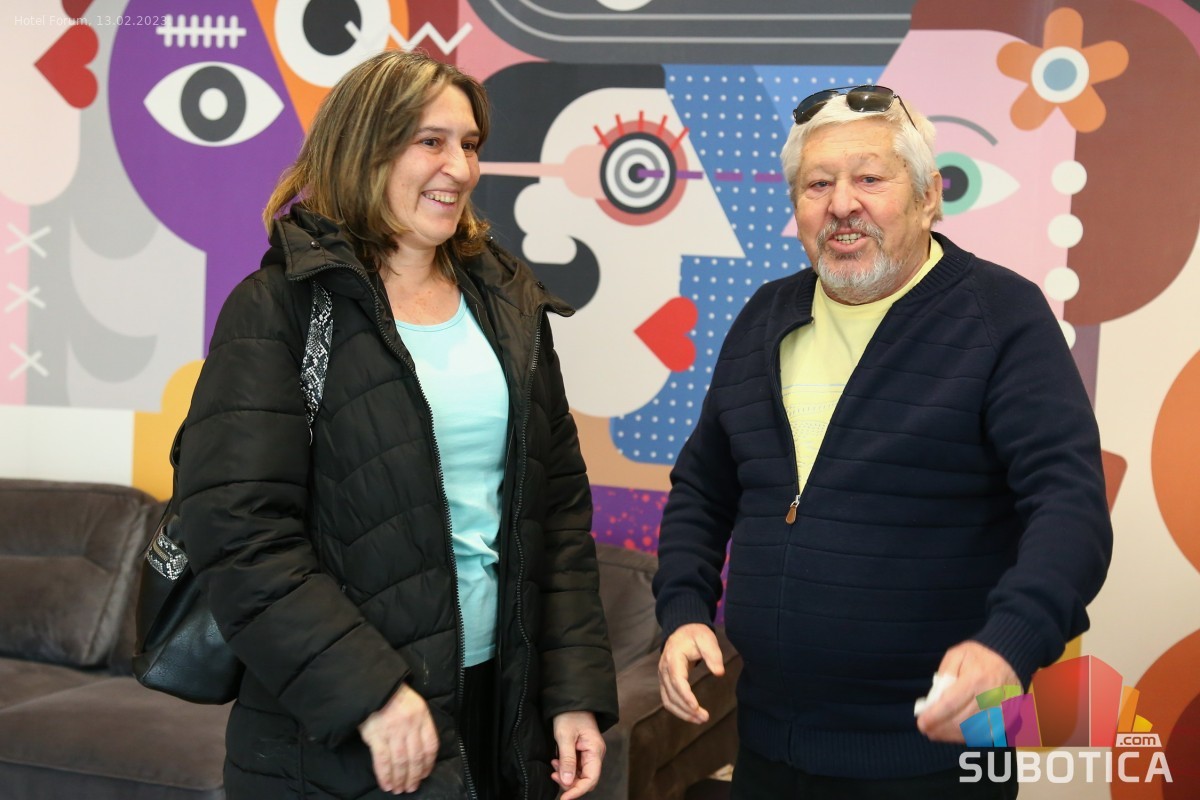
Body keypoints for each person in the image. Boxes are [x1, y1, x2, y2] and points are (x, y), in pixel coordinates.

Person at [175, 50, 617, 800]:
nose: (460, 168)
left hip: (501, 703)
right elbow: (239, 532)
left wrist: (572, 691)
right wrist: (369, 692)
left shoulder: (507, 302)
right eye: (430, 141)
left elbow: (559, 513)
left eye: (469, 144)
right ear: (364, 149)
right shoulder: (279, 307)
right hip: (344, 728)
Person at [652, 85, 1112, 798]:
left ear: (929, 198)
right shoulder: (764, 316)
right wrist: (683, 610)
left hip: (943, 754)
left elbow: (1070, 506)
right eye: (818, 185)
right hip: (768, 747)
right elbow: (703, 489)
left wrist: (1009, 644)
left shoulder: (1002, 314)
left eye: (869, 178)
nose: (842, 204)